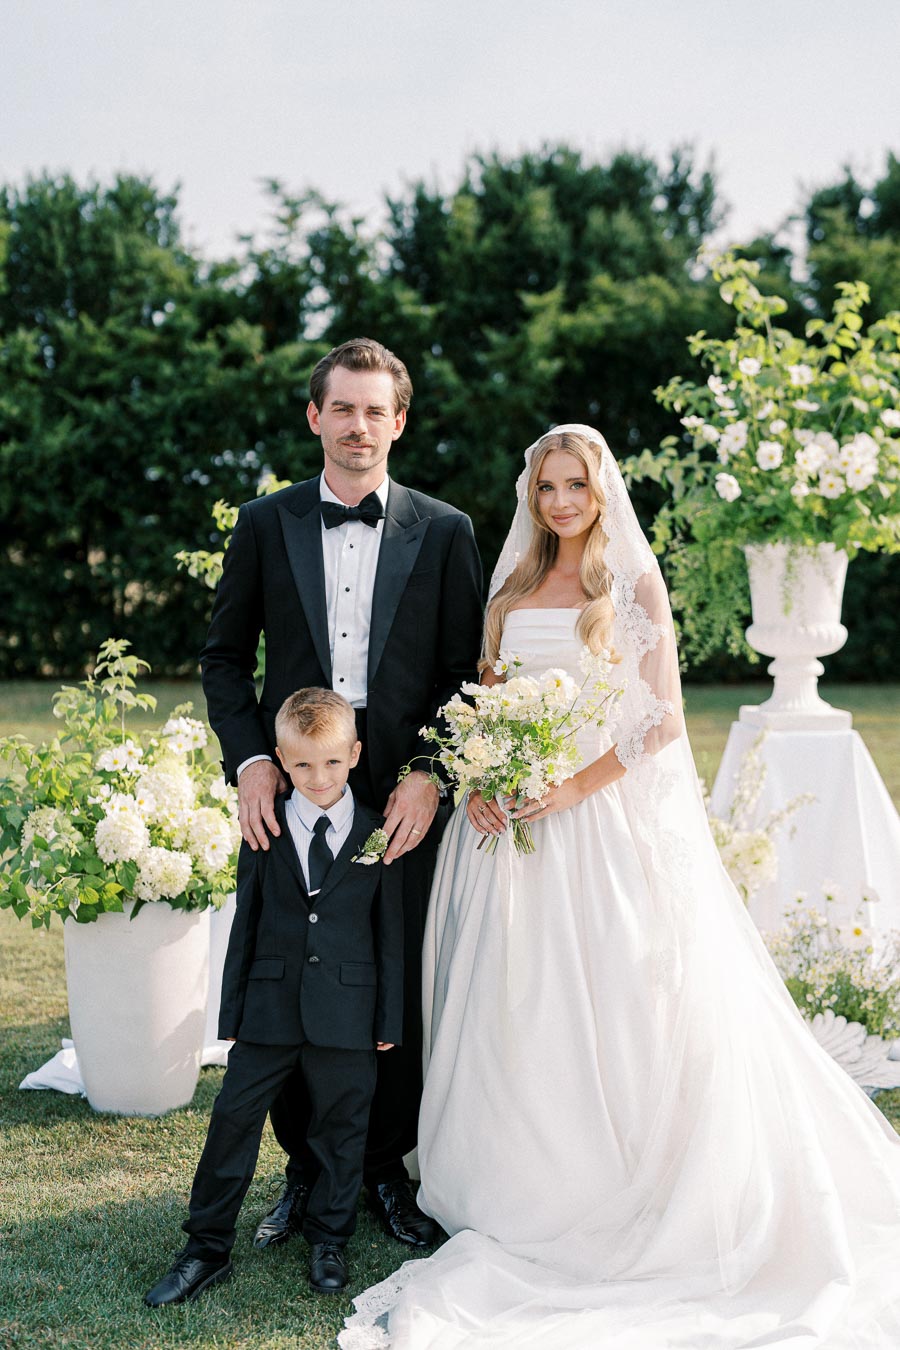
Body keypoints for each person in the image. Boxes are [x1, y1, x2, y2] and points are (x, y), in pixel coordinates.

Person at [342, 425, 900, 1348]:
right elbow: (481, 695)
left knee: (597, 1002)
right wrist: (480, 777)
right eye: (547, 487)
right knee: (505, 1002)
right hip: (500, 829)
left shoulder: (629, 588)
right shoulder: (512, 585)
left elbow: (661, 724)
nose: (560, 502)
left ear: (603, 494)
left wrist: (560, 787)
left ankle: (595, 1183)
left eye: (576, 486)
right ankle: (497, 1179)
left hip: (587, 821)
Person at [200, 338, 483, 1252]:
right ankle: (305, 1167)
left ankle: (382, 1169)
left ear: (399, 422)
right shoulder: (264, 523)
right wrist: (250, 761)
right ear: (315, 416)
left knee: (388, 974)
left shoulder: (444, 531)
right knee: (289, 973)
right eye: (343, 409)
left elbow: (462, 674)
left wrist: (431, 775)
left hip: (399, 789)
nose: (359, 427)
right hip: (294, 783)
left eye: (376, 411)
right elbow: (221, 657)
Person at [144, 688, 402, 1303]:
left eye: (333, 763)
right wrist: (231, 1010)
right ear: (283, 763)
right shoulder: (264, 828)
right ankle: (205, 1246)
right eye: (305, 765)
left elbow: (389, 935)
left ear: (355, 755)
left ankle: (329, 1240)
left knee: (343, 1127)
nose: (319, 777)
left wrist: (387, 1015)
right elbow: (246, 924)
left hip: (347, 1012)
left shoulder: (376, 831)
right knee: (234, 1117)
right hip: (266, 1009)